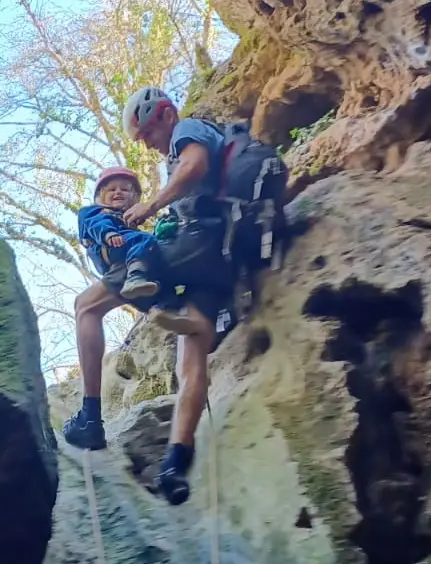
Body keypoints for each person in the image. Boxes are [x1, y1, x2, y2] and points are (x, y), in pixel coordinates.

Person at [64, 86, 286, 506]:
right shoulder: (202, 142)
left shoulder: (188, 130)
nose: (147, 144)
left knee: (86, 306)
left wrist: (151, 207)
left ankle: (90, 417)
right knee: (191, 357)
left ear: (164, 115)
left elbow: (194, 166)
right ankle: (174, 464)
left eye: (146, 132)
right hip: (221, 264)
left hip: (199, 241)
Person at [77, 167, 161, 301]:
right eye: (112, 189)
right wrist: (108, 234)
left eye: (125, 189)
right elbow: (96, 223)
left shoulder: (125, 218)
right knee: (144, 239)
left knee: (150, 245)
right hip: (107, 246)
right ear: (101, 195)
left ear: (134, 197)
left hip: (121, 247)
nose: (118, 192)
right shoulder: (96, 211)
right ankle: (135, 276)